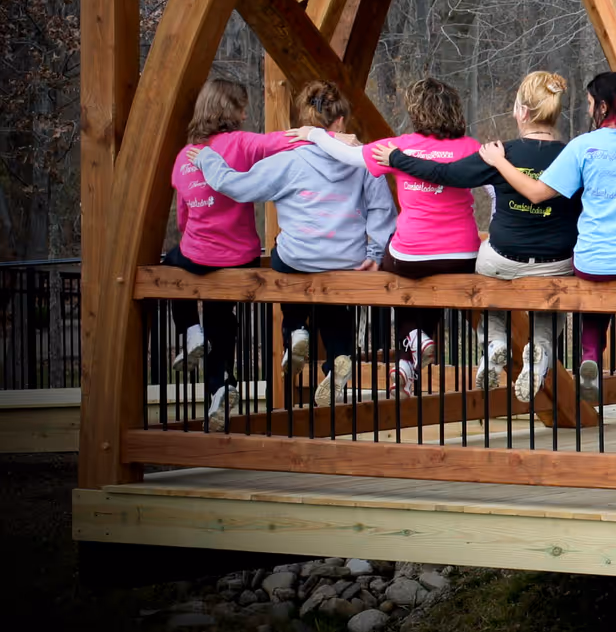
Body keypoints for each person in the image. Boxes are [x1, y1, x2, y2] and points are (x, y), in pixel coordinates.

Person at [376, 71, 581, 406]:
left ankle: (493, 343)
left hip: (502, 259)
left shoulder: (500, 153)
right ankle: (540, 351)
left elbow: (445, 174)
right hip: (555, 260)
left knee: (484, 273)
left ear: (522, 112)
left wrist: (398, 159)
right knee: (550, 293)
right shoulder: (572, 155)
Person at [478, 71, 616, 413]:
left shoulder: (583, 146)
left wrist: (500, 162)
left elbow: (536, 193)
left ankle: (590, 355)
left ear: (602, 106)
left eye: (588, 104)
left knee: (593, 296)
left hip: (593, 259)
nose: (587, 111)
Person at [194, 80, 394, 411]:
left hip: (300, 253)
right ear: (340, 122)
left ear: (303, 124)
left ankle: (295, 329)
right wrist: (375, 253)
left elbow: (238, 187)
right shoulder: (360, 160)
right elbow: (382, 210)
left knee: (281, 257)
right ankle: (339, 357)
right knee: (336, 301)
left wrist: (207, 160)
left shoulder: (288, 161)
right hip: (347, 257)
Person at [300, 78, 481, 397]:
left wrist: (314, 133)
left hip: (411, 254)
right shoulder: (470, 147)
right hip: (462, 255)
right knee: (432, 289)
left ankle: (414, 336)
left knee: (402, 275)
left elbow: (348, 157)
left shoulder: (399, 147)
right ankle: (407, 362)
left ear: (415, 112)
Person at [164, 78, 299, 431]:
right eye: (242, 106)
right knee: (223, 317)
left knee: (171, 265)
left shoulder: (183, 157)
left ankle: (192, 332)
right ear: (231, 111)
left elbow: (182, 217)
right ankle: (220, 385)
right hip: (241, 256)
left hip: (198, 255)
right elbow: (277, 142)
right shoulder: (240, 143)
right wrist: (317, 135)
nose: (245, 112)